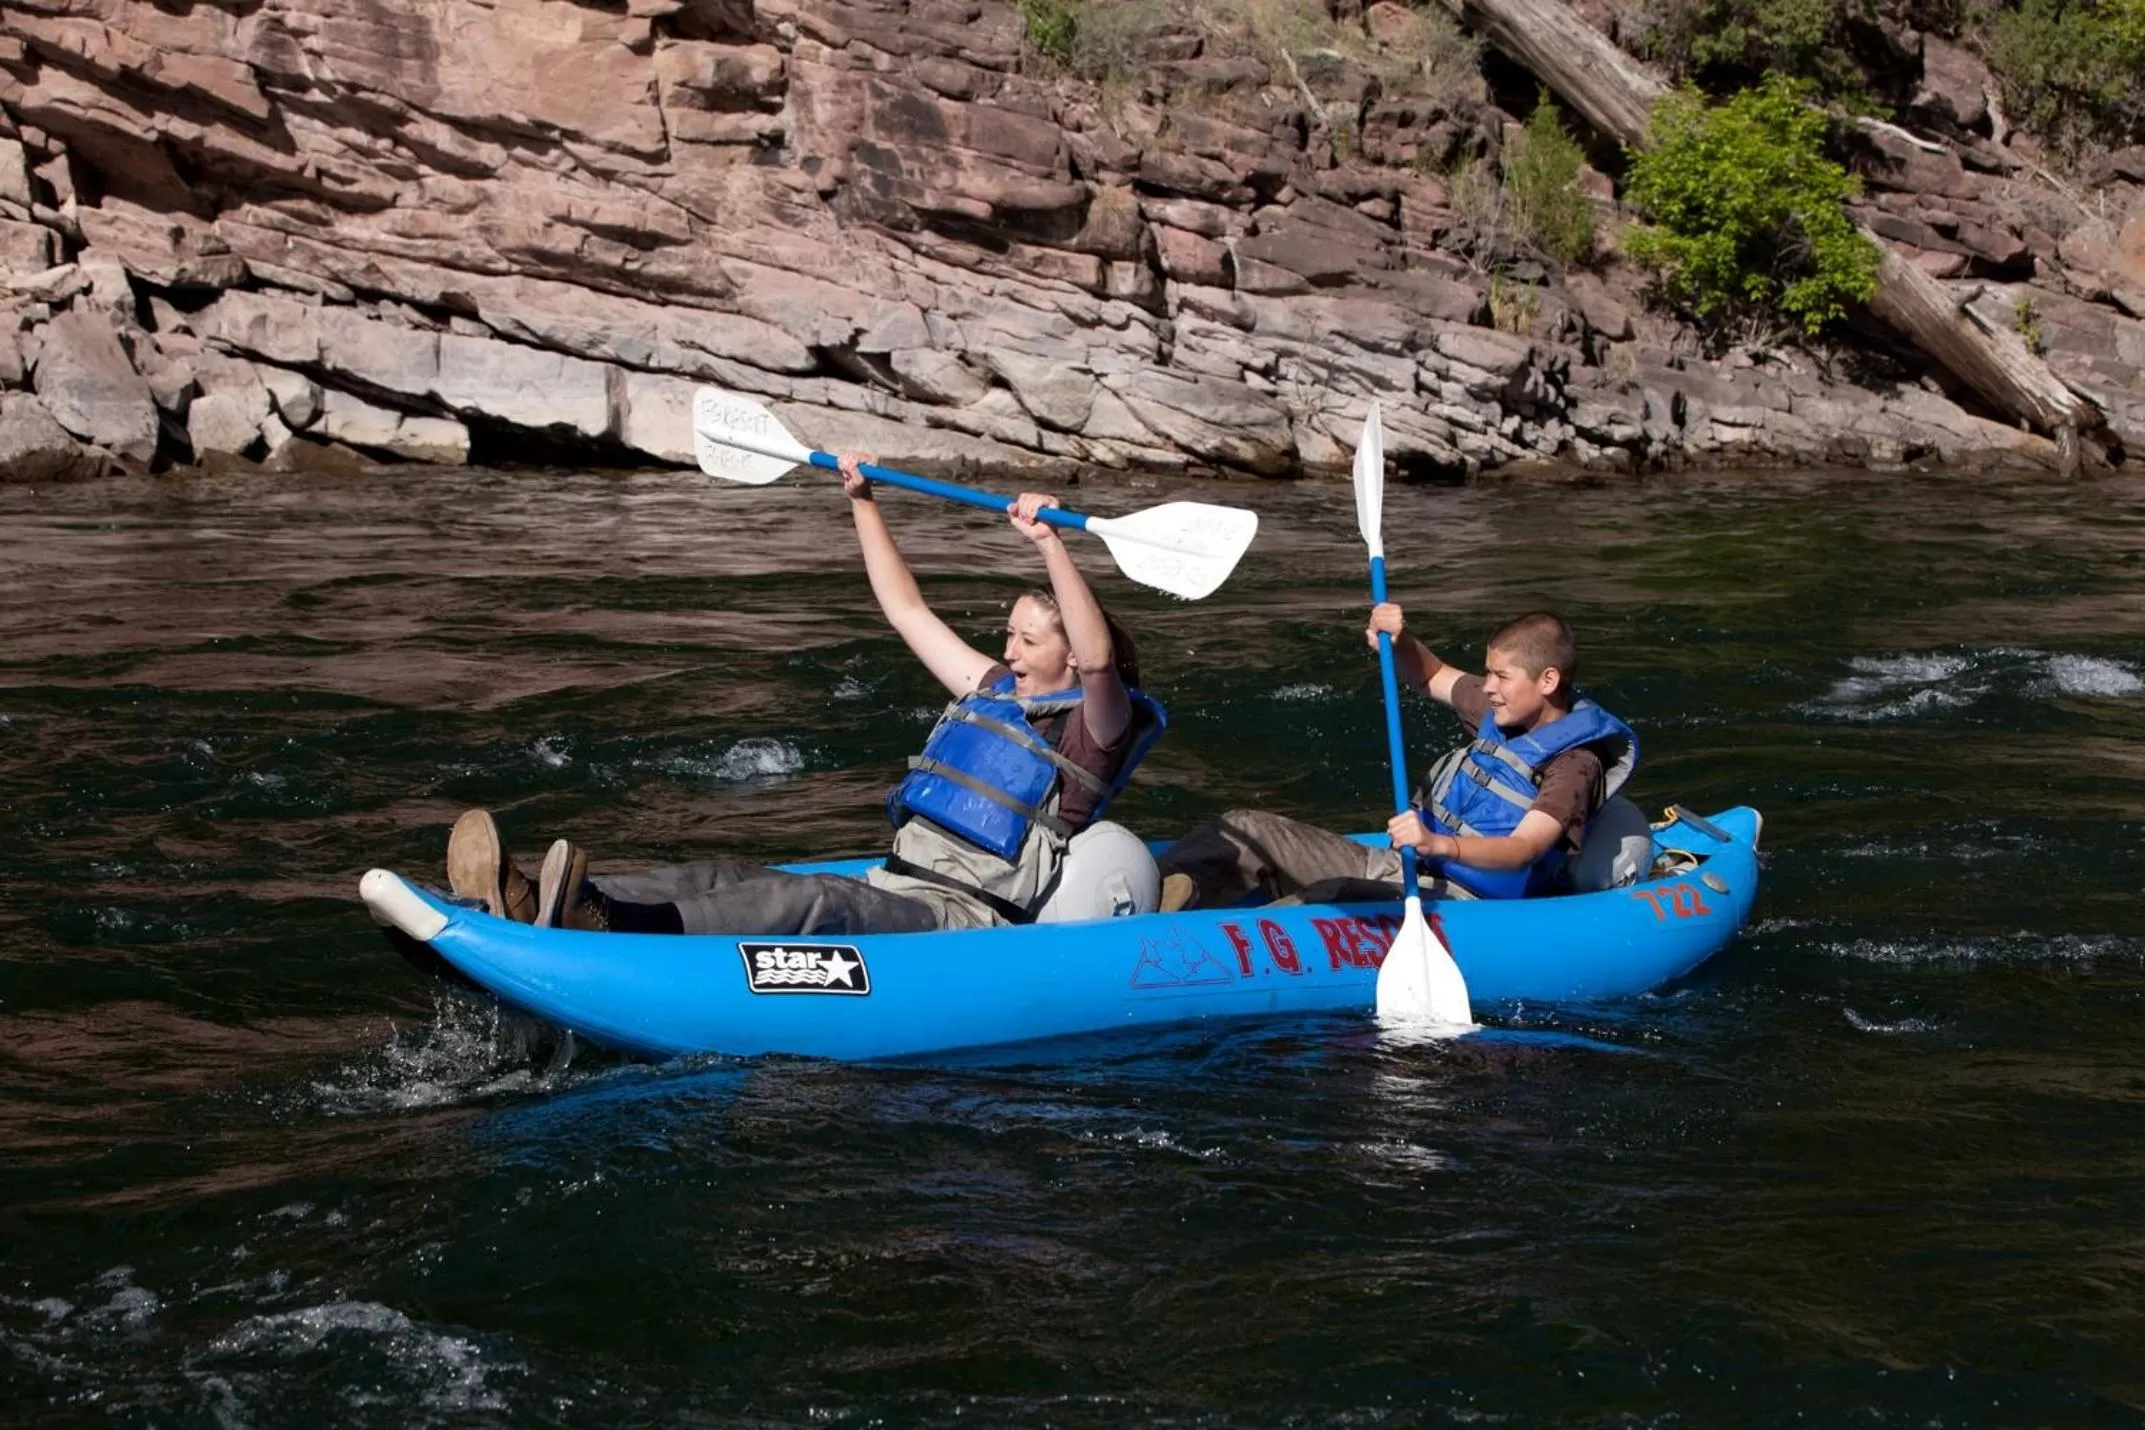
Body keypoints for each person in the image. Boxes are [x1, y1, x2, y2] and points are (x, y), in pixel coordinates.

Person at [443, 455, 1164, 936]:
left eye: (1026, 640)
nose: (1006, 651)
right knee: (722, 872)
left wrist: (1049, 545)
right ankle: (542, 901)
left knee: (809, 897)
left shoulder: (1093, 729)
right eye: (1006, 634)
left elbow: (1100, 665)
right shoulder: (994, 691)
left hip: (959, 919)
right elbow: (906, 611)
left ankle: (610, 931)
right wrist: (862, 501)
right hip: (896, 882)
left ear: (1069, 653)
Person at [1154, 606, 1636, 911]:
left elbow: (1523, 850)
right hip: (1404, 864)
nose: (1487, 685)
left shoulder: (1575, 764)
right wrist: (1400, 641)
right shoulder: (1501, 707)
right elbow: (1432, 675)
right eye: (1488, 673)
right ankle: (1153, 910)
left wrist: (1438, 845)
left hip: (1465, 903)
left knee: (1328, 899)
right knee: (1246, 827)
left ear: (1547, 681)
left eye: (1501, 676)